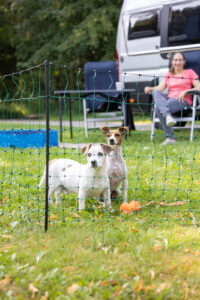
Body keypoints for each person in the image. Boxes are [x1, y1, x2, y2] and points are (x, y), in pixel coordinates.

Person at [144, 52, 200, 145]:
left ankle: (170, 137)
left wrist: (186, 91)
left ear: (184, 62)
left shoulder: (190, 72)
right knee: (156, 93)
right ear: (172, 62)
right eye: (175, 60)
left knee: (159, 107)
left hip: (183, 101)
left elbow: (199, 87)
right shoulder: (168, 74)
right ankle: (168, 118)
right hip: (169, 101)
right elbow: (159, 88)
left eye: (180, 60)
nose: (178, 62)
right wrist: (150, 88)